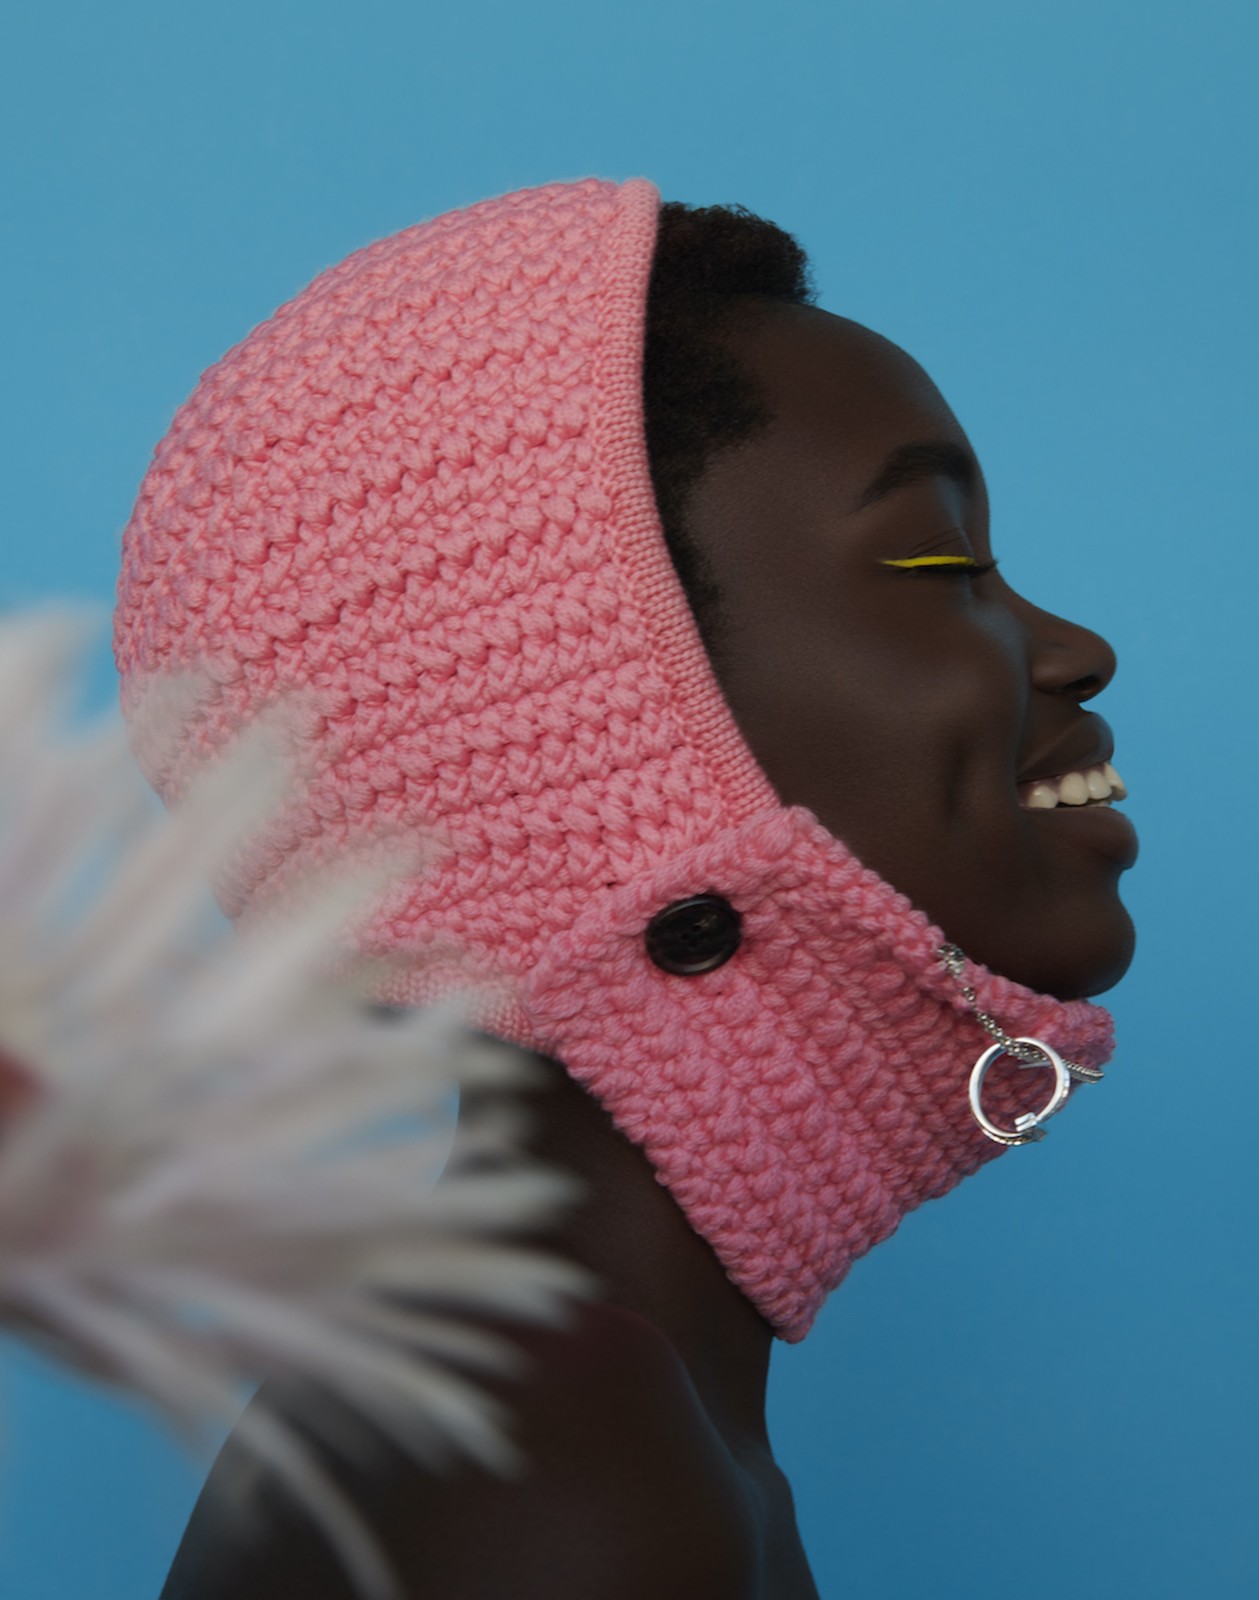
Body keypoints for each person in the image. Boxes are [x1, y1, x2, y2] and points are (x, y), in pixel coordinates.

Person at [114, 178, 1136, 1599]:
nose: (1076, 648)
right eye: (935, 558)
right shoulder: (553, 1471)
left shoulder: (585, 1416)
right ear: (554, 749)